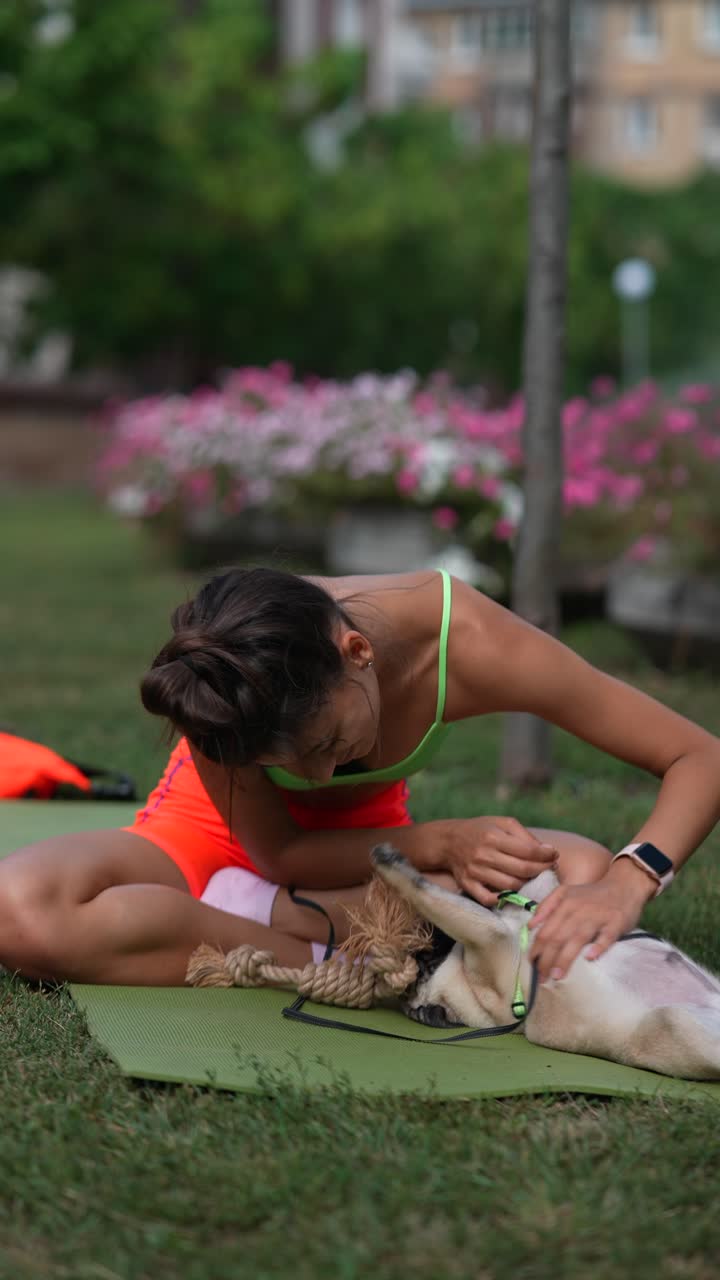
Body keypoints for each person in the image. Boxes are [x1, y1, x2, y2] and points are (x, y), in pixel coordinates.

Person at [2, 566, 719, 991]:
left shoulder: (468, 643)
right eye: (281, 764)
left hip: (369, 866)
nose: (315, 776)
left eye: (328, 744)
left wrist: (629, 884)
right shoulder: (224, 676)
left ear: (359, 651)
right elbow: (278, 854)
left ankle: (310, 936)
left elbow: (700, 756)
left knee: (583, 871)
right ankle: (334, 944)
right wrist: (438, 843)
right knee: (20, 909)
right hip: (200, 846)